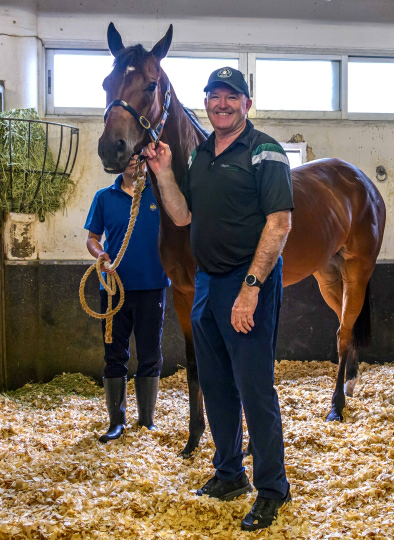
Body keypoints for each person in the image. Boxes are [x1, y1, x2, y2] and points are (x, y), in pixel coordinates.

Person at [143, 66, 293, 531]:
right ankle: (229, 473)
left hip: (245, 282)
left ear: (247, 104)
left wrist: (250, 288)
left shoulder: (264, 150)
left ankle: (273, 489)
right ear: (206, 103)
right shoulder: (201, 153)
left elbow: (279, 223)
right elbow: (182, 215)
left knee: (254, 387)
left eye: (231, 97)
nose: (221, 104)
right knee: (216, 385)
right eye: (214, 96)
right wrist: (164, 174)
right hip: (207, 282)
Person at [84, 155, 170, 443]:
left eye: (138, 155)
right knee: (114, 354)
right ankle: (116, 422)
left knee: (150, 353)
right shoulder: (104, 197)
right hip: (114, 287)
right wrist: (101, 254)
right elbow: (92, 238)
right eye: (128, 156)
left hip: (152, 284)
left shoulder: (158, 193)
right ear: (118, 162)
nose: (134, 160)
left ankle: (146, 420)